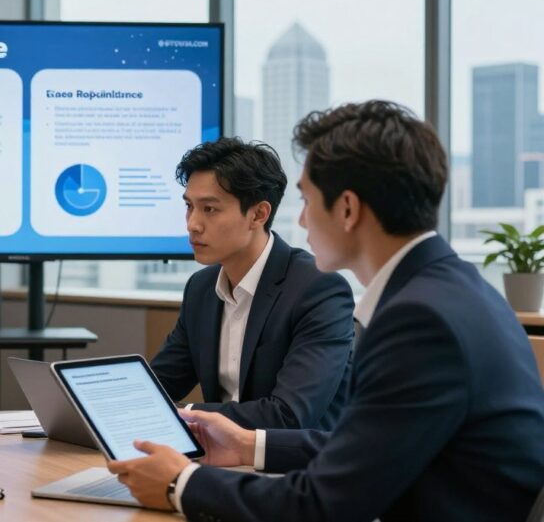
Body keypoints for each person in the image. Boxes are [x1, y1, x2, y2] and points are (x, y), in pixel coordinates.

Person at [109, 101, 544, 521]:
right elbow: (370, 447)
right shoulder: (454, 291)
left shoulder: (419, 321)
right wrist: (249, 446)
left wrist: (180, 485)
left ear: (348, 209)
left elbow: (324, 503)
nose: (300, 221)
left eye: (308, 199)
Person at [150, 137, 354, 430]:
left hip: (295, 468)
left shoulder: (318, 289)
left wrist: (183, 413)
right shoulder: (201, 288)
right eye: (189, 207)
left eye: (209, 209)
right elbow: (158, 385)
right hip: (220, 462)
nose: (192, 224)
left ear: (258, 214)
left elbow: (288, 415)